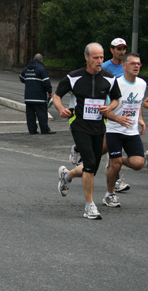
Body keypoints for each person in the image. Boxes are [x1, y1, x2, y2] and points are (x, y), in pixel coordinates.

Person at [54, 43, 121, 220]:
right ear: (87, 58)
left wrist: (110, 108)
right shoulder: (74, 77)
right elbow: (57, 95)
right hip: (79, 125)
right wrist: (61, 109)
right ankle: (89, 205)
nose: (100, 61)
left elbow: (116, 99)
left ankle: (67, 175)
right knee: (90, 163)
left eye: (101, 57)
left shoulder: (109, 78)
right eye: (95, 58)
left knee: (91, 169)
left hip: (99, 126)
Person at [102, 53, 147, 208]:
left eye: (139, 64)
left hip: (131, 130)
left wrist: (140, 118)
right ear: (125, 66)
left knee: (138, 163)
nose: (136, 66)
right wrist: (118, 119)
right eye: (133, 63)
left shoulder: (142, 84)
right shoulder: (115, 84)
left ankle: (114, 159)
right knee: (115, 164)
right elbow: (106, 110)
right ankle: (110, 194)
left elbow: (138, 102)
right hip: (114, 129)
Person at [19, 53, 55, 135]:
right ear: (41, 60)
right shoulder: (41, 69)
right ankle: (45, 130)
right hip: (39, 97)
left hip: (28, 97)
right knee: (42, 114)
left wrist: (29, 82)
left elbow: (21, 78)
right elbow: (46, 83)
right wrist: (49, 92)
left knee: (30, 115)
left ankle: (32, 130)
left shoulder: (27, 69)